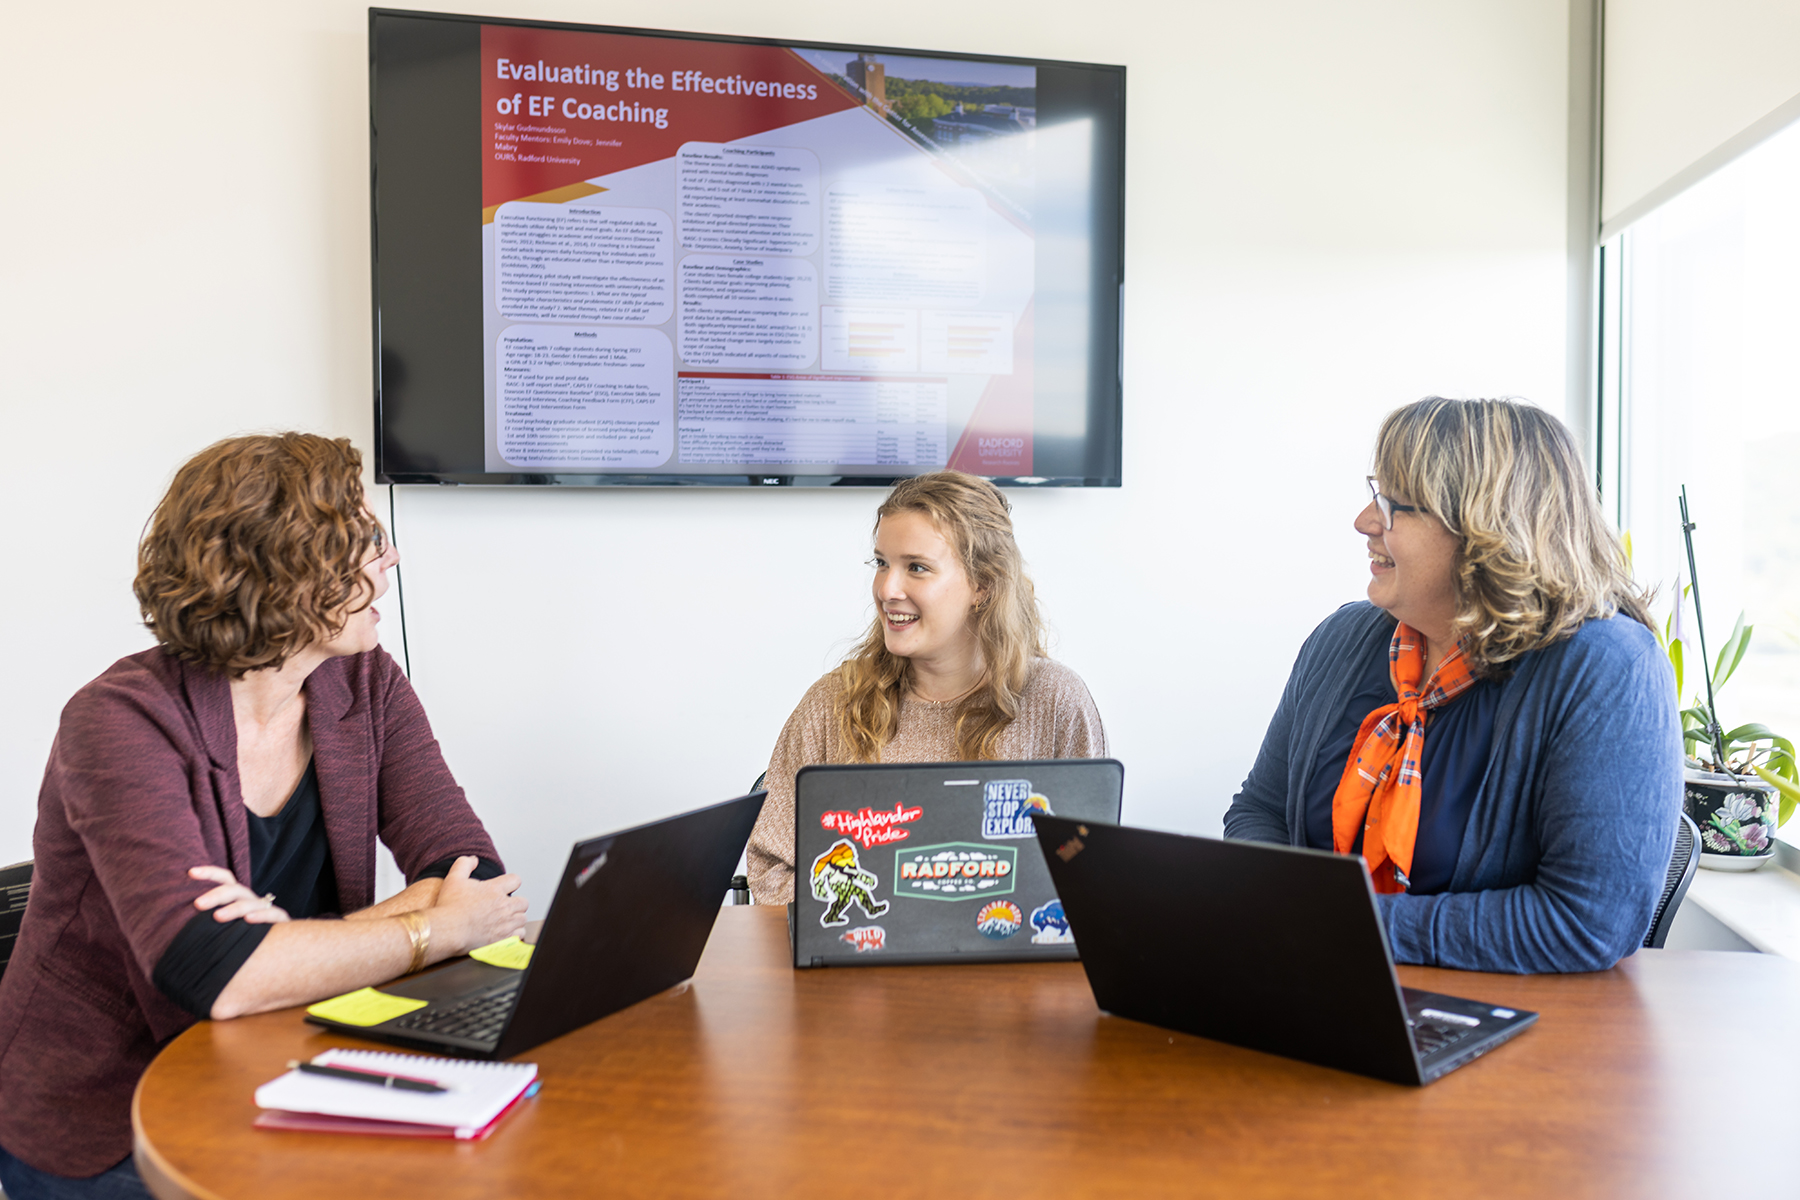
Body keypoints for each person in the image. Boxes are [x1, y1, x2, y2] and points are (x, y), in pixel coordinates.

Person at [0, 434, 529, 1197]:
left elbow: (476, 878)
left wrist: (273, 949)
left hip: (285, 1060)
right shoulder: (119, 722)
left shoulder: (365, 685)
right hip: (105, 1115)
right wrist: (430, 929)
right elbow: (209, 971)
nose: (392, 559)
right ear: (279, 569)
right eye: (365, 541)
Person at [1224, 397, 1681, 974]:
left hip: (1507, 1029)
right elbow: (1259, 809)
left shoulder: (1607, 670)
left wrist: (1334, 925)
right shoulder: (1342, 639)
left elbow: (1586, 921)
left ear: (1484, 532)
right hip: (1319, 983)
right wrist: (1266, 908)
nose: (1365, 522)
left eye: (1393, 506)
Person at [747, 471, 1108, 904]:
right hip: (858, 967)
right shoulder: (831, 704)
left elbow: (1089, 864)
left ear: (982, 585)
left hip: (1010, 966)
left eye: (916, 567)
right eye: (881, 563)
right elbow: (770, 872)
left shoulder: (1055, 702)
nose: (886, 589)